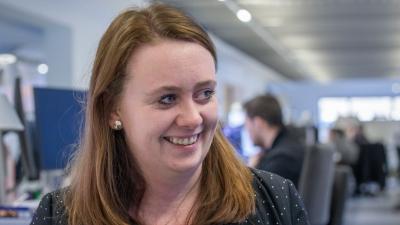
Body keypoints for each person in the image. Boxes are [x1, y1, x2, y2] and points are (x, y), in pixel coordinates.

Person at [30, 3, 309, 225]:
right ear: (112, 109)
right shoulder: (60, 215)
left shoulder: (274, 200)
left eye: (205, 94)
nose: (192, 118)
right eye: (167, 99)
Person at [243, 94, 306, 187]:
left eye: (247, 124)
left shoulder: (282, 159)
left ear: (258, 123)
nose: (247, 130)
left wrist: (249, 172)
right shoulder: (289, 143)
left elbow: (259, 195)